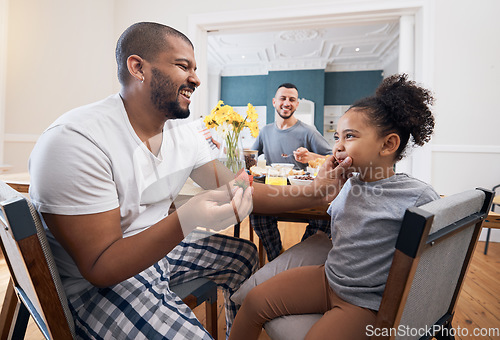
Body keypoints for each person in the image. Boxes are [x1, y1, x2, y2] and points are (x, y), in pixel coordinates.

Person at [28, 22, 351, 340]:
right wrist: (189, 217)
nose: (195, 78)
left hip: (158, 254)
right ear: (138, 67)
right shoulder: (76, 140)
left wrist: (317, 191)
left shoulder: (183, 133)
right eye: (183, 66)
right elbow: (101, 268)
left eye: (195, 68)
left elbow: (240, 187)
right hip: (99, 285)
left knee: (244, 256)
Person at [229, 74, 440, 340]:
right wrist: (323, 189)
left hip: (363, 302)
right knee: (254, 301)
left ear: (388, 144)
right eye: (337, 136)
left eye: (349, 136)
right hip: (328, 278)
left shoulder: (417, 197)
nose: (337, 146)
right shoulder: (347, 184)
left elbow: (432, 266)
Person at [250, 83, 332, 261]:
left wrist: (311, 156)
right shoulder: (265, 131)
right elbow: (251, 158)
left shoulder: (309, 131)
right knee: (256, 214)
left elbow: (333, 159)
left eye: (292, 99)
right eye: (283, 98)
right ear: (274, 102)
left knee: (325, 220)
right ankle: (276, 256)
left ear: (296, 105)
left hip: (302, 192)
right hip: (274, 191)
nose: (287, 103)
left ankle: (298, 258)